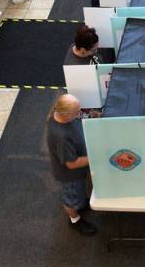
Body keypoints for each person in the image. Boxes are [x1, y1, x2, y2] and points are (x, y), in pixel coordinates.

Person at [47, 94, 98, 236]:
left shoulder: (60, 115)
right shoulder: (61, 137)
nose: (80, 113)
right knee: (71, 198)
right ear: (66, 114)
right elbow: (72, 163)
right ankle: (74, 219)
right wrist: (96, 157)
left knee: (78, 194)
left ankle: (80, 203)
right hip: (70, 175)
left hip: (77, 169)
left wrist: (90, 116)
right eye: (77, 112)